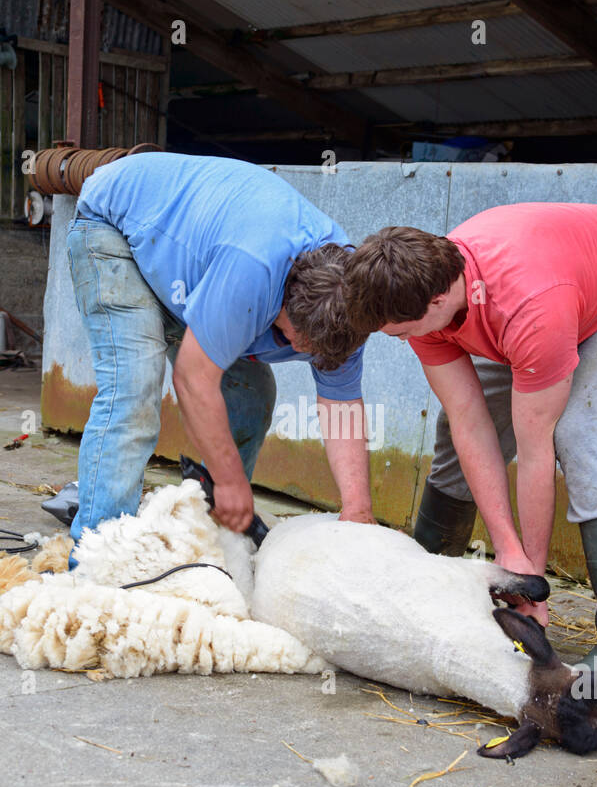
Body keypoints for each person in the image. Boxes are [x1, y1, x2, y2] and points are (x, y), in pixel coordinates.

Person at [345, 203, 597, 679]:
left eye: (401, 333)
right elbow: (471, 421)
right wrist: (506, 547)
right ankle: (428, 587)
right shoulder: (417, 289)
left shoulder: (528, 308)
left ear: (437, 303)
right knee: (455, 430)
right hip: (554, 290)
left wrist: (529, 581)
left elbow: (535, 453)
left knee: (579, 434)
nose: (400, 340)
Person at [64, 152, 375, 560]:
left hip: (189, 262)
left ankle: (207, 540)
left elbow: (341, 405)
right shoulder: (253, 271)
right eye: (295, 339)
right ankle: (96, 556)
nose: (298, 352)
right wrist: (231, 482)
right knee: (133, 387)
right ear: (280, 303)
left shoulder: (352, 304)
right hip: (116, 227)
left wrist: (358, 510)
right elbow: (193, 380)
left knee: (252, 393)